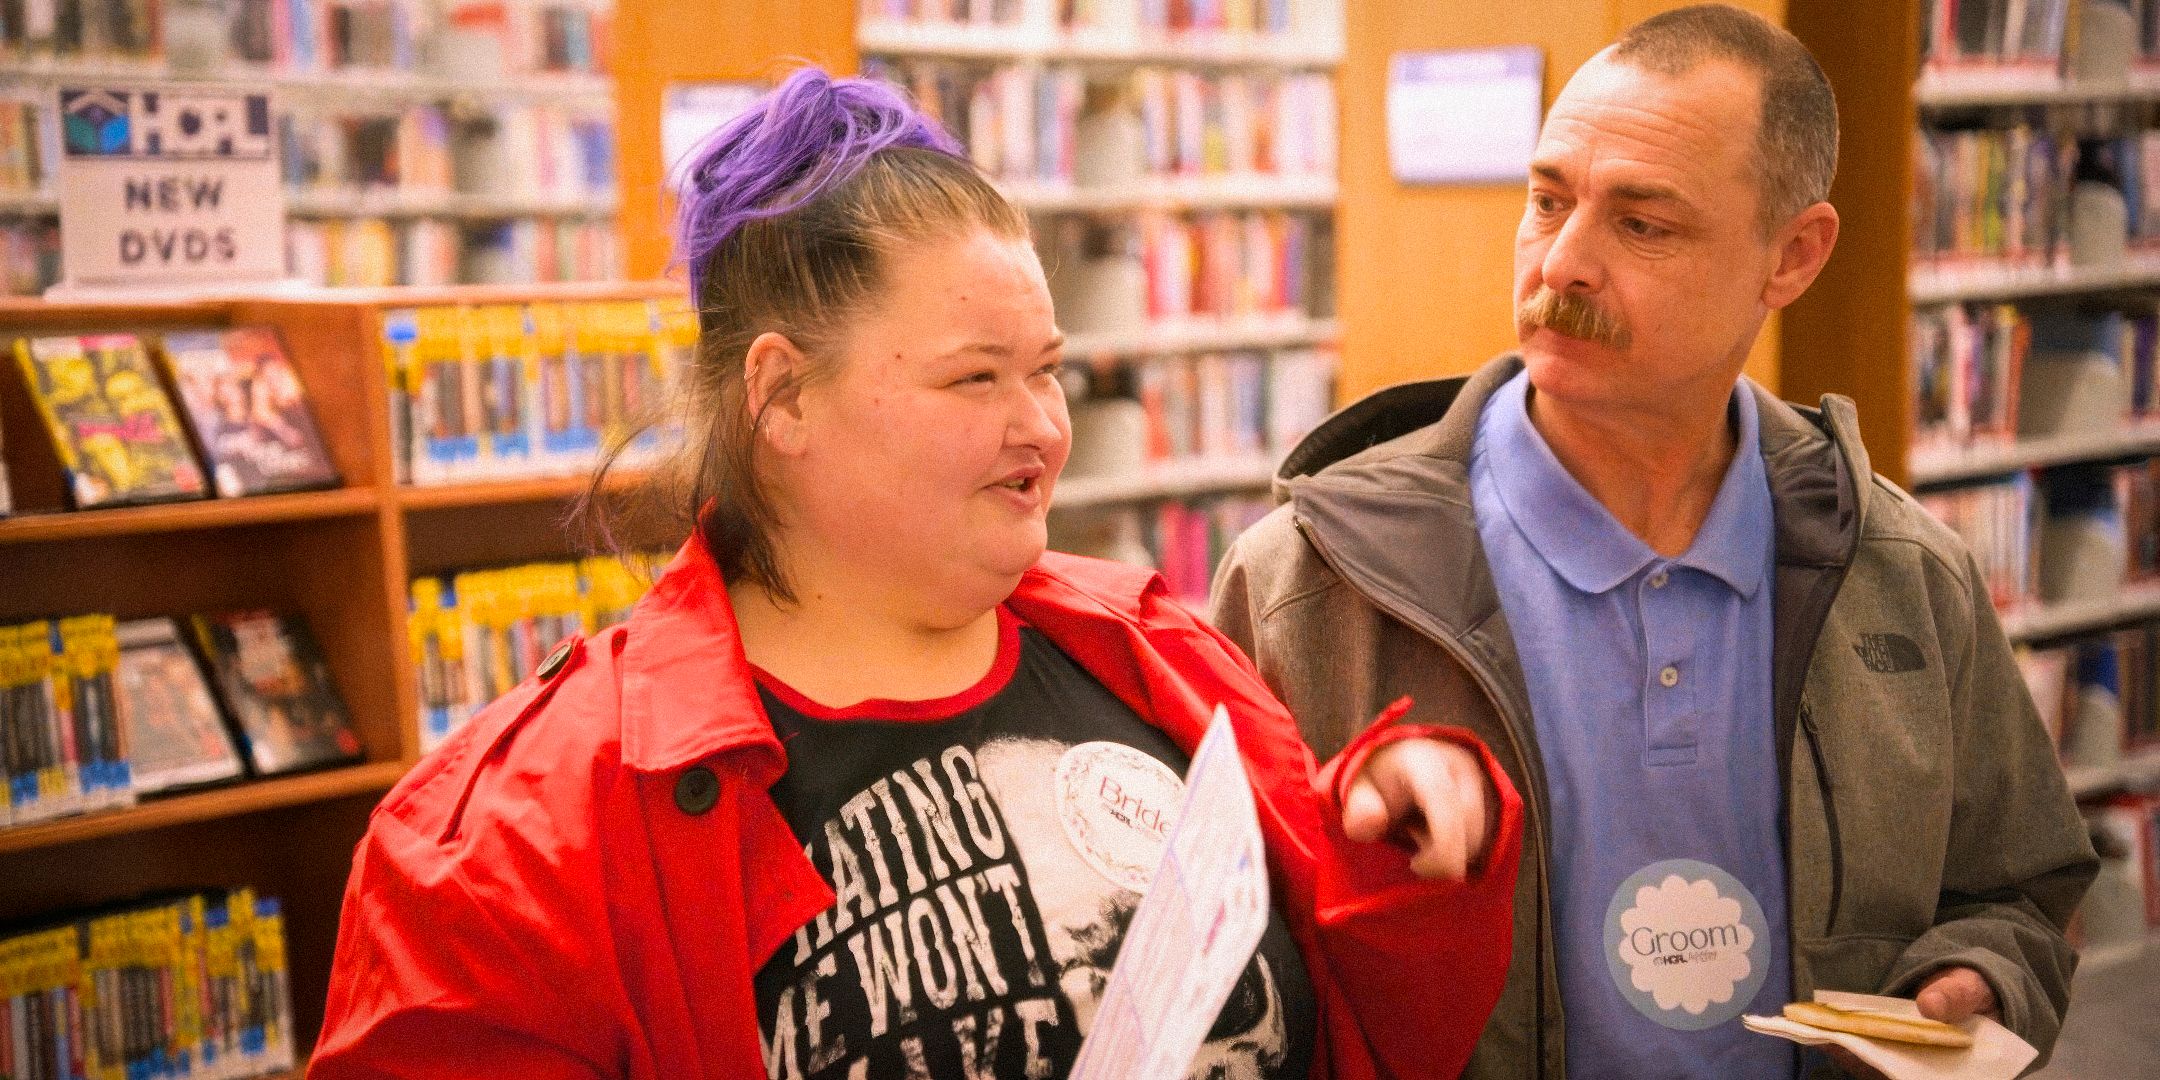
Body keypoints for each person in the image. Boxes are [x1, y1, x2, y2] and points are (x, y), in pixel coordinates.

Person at [311, 68, 1524, 1080]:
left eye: (1045, 368)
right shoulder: (516, 842)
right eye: (975, 378)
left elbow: (1370, 1036)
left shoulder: (1162, 654)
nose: (1045, 427)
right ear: (783, 395)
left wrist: (1396, 849)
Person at [1209, 7, 2098, 1080]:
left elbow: (2020, 892)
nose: (1564, 263)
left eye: (1644, 225)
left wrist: (1981, 973)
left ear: (1794, 256)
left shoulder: (1905, 574)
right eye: (1547, 201)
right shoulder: (1308, 580)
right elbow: (1224, 965)